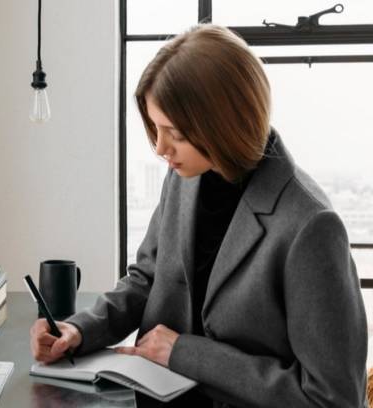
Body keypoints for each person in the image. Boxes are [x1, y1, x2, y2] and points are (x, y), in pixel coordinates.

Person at [29, 24, 368, 407]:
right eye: (156, 129)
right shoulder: (185, 177)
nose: (160, 148)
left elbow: (334, 399)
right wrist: (78, 330)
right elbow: (148, 278)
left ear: (223, 124)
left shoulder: (311, 227)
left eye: (174, 133)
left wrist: (185, 353)